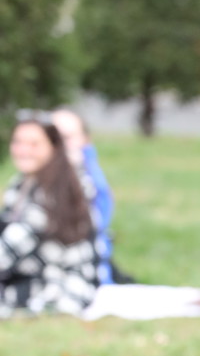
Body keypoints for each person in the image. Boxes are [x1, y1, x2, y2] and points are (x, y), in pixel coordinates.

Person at [1, 114, 99, 318]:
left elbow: (14, 244)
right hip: (26, 273)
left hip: (61, 282)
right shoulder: (22, 182)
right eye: (18, 142)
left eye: (34, 144)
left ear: (53, 147)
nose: (23, 150)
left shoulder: (59, 188)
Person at [51, 108, 117, 285]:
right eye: (53, 137)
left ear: (85, 140)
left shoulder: (88, 181)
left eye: (66, 137)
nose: (58, 145)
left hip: (80, 277)